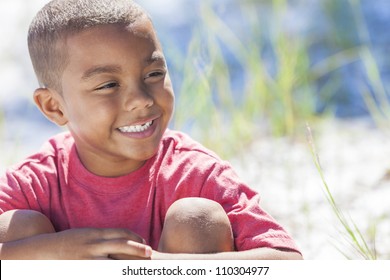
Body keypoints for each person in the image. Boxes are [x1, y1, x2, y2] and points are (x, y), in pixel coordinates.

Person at [0, 0, 302, 260]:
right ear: (54, 107)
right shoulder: (36, 182)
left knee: (196, 219)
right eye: (108, 85)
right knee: (18, 228)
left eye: (154, 74)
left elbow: (285, 260)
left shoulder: (192, 173)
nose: (142, 100)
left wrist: (160, 266)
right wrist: (52, 250)